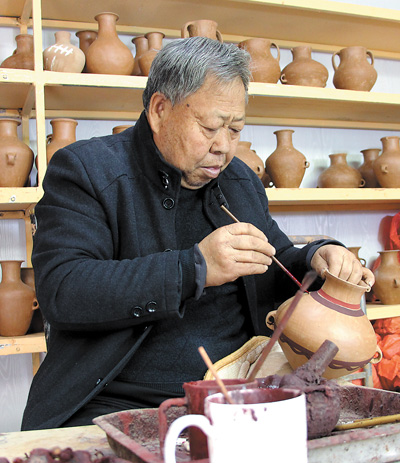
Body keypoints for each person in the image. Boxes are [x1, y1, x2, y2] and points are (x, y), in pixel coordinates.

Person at [22, 37, 374, 430]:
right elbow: (64, 290)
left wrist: (315, 257)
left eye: (235, 129)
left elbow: (274, 261)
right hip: (116, 400)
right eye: (209, 127)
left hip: (236, 392)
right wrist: (195, 268)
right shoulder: (86, 169)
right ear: (160, 110)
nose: (223, 146)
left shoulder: (240, 181)